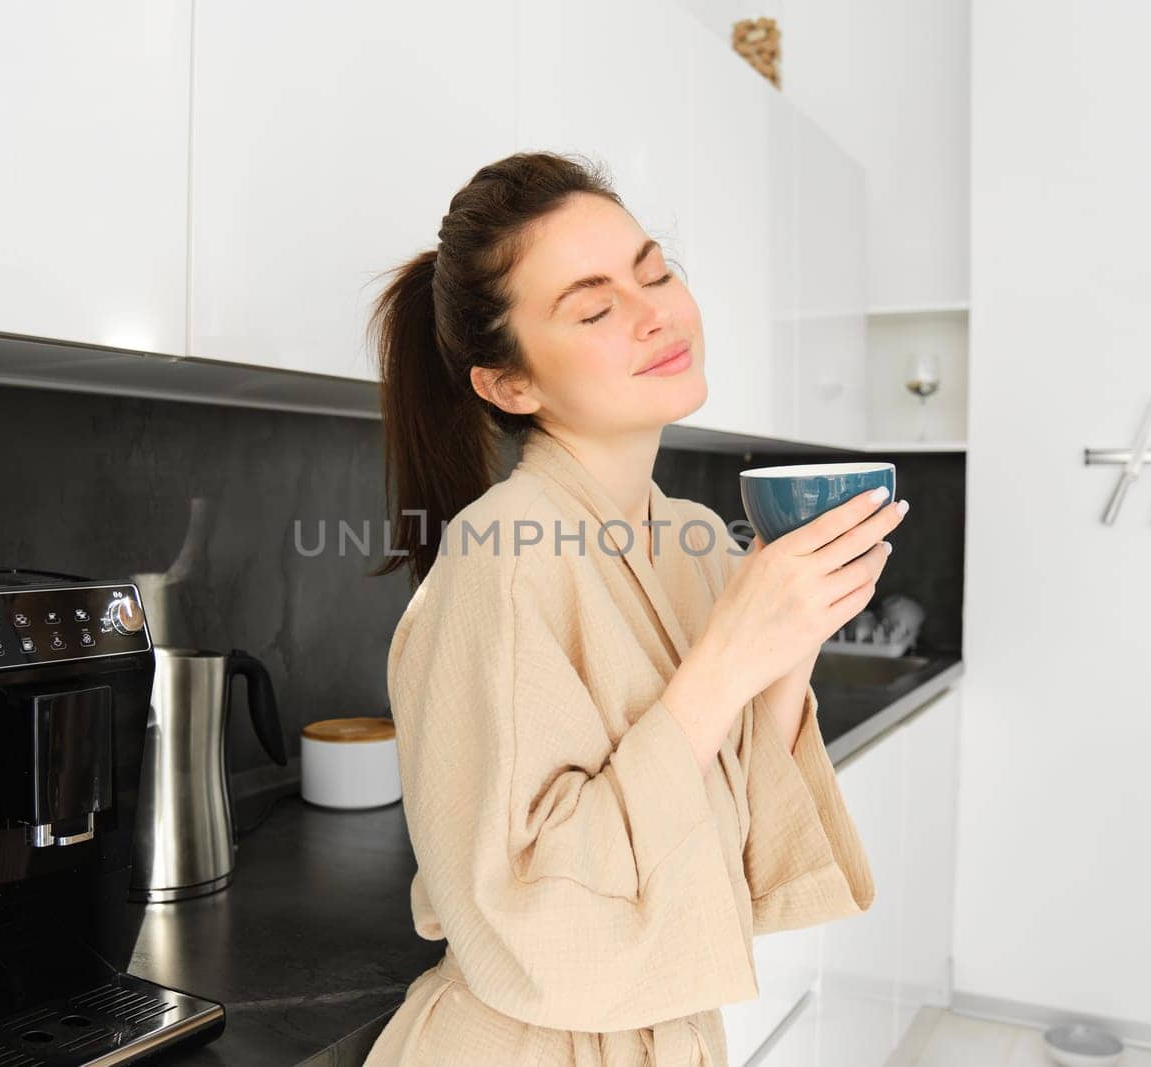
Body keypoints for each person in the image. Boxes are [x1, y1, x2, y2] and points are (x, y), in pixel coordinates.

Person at [362, 151, 907, 1065]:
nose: (658, 311)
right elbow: (526, 909)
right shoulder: (496, 557)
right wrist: (729, 658)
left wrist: (790, 644)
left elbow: (732, 842)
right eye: (595, 304)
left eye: (655, 271)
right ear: (511, 384)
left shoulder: (695, 536)